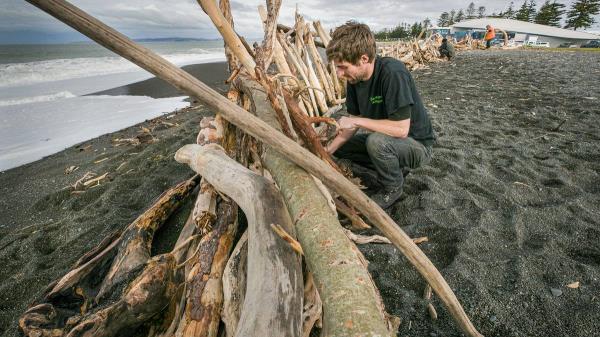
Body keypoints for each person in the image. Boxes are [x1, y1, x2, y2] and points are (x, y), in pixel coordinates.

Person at [325, 21, 435, 208]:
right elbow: (351, 126)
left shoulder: (392, 73)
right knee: (343, 146)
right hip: (388, 142)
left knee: (376, 142)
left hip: (416, 144)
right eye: (337, 67)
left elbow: (401, 130)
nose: (339, 73)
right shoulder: (354, 80)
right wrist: (327, 152)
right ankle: (390, 168)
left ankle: (392, 188)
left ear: (364, 59)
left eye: (342, 67)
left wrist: (357, 121)